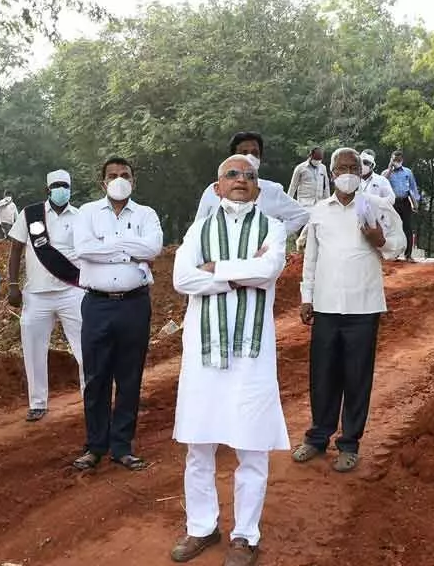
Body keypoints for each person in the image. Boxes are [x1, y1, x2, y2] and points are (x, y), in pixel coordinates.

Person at [170, 154, 289, 566]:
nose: (241, 180)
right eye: (232, 174)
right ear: (217, 186)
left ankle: (245, 536)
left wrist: (215, 269)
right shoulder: (199, 228)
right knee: (199, 447)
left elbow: (270, 269)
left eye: (250, 176)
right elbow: (182, 279)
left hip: (251, 356)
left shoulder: (272, 226)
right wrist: (243, 273)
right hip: (204, 352)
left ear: (258, 187)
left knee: (251, 446)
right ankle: (202, 528)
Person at [292, 148, 405, 473]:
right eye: (341, 167)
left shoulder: (376, 206)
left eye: (353, 167)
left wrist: (379, 239)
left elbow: (397, 249)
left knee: (357, 377)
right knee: (323, 375)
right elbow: (311, 258)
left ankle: (349, 443)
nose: (348, 171)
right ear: (331, 172)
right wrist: (306, 296)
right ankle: (317, 437)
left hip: (363, 305)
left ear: (361, 171)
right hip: (326, 306)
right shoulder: (319, 212)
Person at [71, 157, 163, 472]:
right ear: (102, 182)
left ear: (133, 181)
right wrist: (129, 249)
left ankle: (122, 446)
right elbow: (83, 249)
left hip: (134, 304)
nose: (119, 179)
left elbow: (153, 250)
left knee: (129, 376)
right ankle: (95, 446)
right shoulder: (86, 213)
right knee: (96, 377)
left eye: (124, 175)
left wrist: (108, 246)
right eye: (112, 175)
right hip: (97, 304)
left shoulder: (147, 213)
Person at [7, 170, 85, 422]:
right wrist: (12, 284)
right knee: (33, 350)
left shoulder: (82, 216)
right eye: (57, 185)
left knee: (86, 348)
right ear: (47, 189)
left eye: (65, 185)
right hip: (36, 295)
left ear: (71, 188)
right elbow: (16, 249)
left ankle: (91, 396)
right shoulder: (30, 214)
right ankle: (37, 403)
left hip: (73, 291)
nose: (62, 189)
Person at [194, 132, 309, 235]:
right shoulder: (213, 191)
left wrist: (272, 235)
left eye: (255, 153)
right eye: (244, 153)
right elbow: (198, 228)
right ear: (232, 158)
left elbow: (301, 216)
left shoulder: (272, 191)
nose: (250, 157)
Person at [383, 150, 420, 261]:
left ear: (402, 160)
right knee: (393, 228)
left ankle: (408, 255)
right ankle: (394, 253)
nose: (397, 162)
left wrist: (415, 202)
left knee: (407, 228)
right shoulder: (386, 172)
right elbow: (382, 181)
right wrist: (390, 169)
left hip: (405, 201)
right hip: (392, 202)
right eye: (395, 160)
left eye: (398, 160)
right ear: (391, 159)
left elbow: (413, 188)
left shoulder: (407, 172)